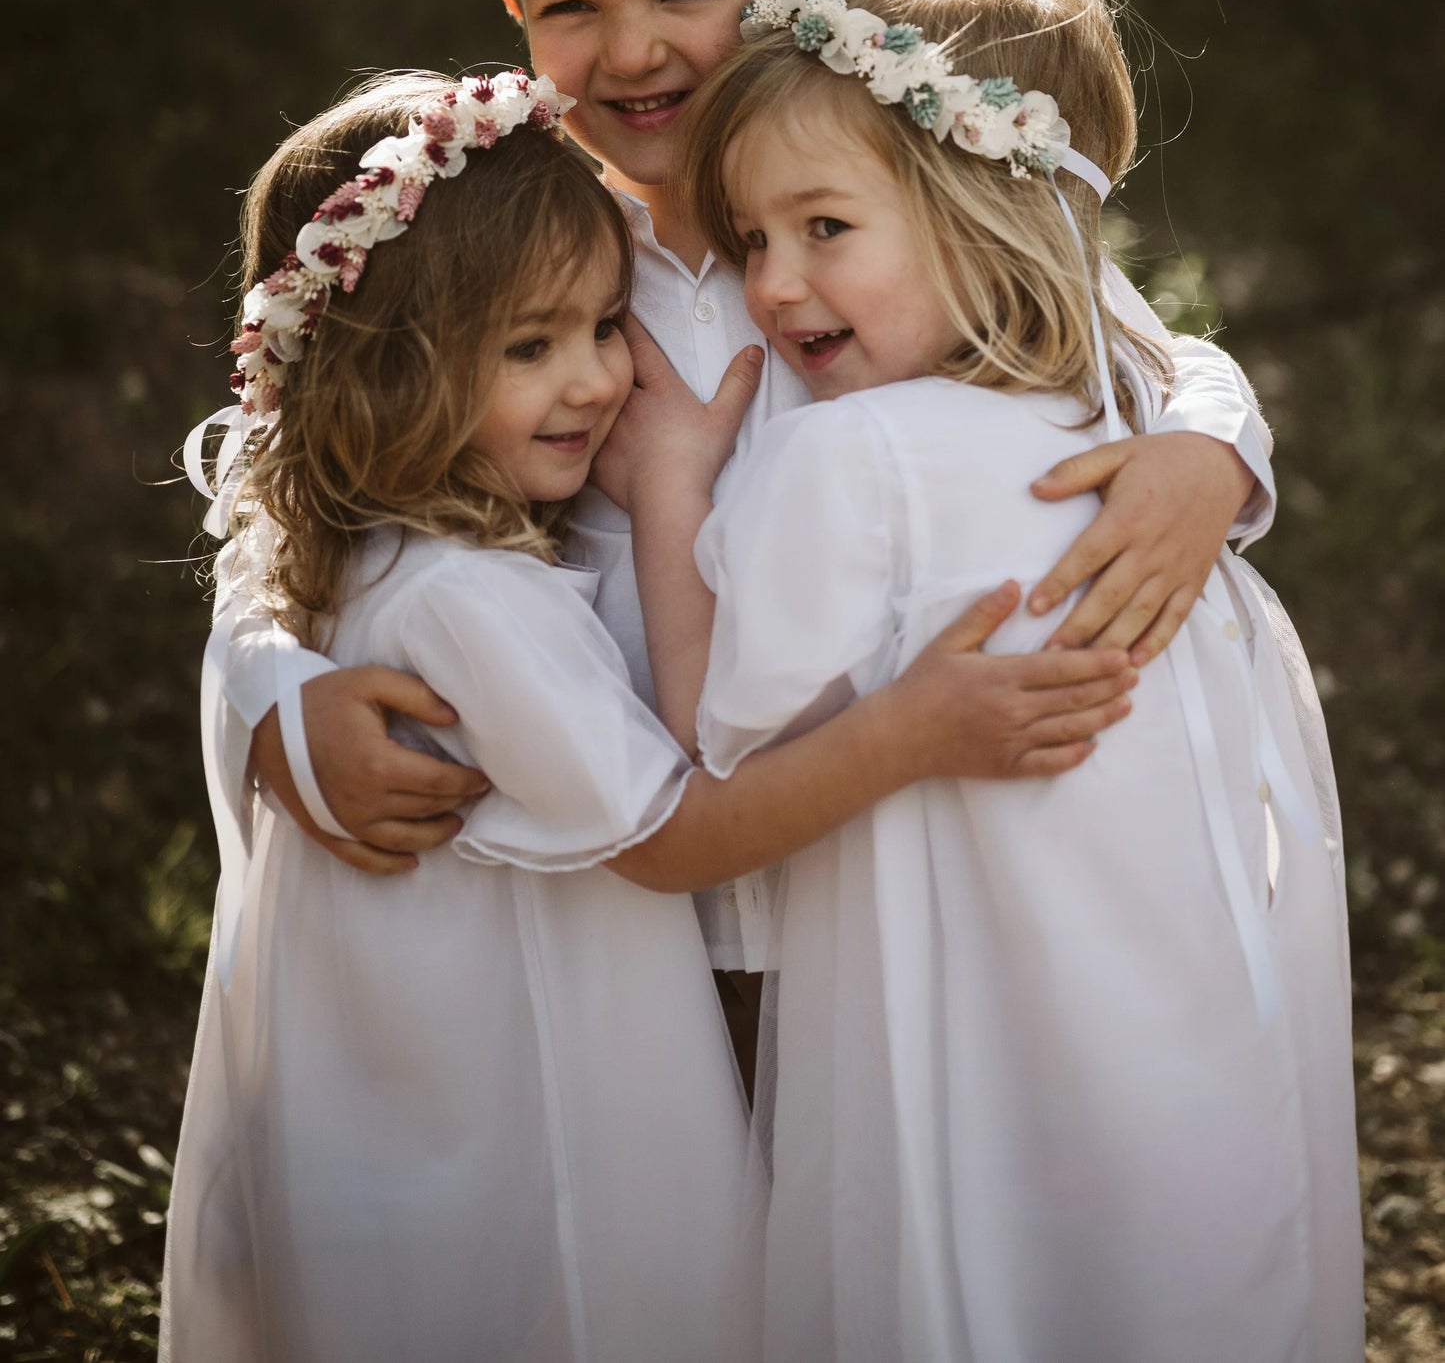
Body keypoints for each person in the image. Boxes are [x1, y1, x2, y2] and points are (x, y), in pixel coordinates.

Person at [225, 0, 1282, 1023]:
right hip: (621, 898)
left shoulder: (878, 211)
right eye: (570, 8)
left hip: (882, 874)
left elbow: (1120, 330)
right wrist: (269, 685)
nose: (629, 52)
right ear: (512, 10)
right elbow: (305, 455)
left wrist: (1210, 448)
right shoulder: (511, 248)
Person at [164, 66, 1140, 1363]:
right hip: (525, 1094)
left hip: (408, 1089)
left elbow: (1147, 347)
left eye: (601, 328)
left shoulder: (376, 546)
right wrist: (912, 730)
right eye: (530, 348)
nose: (594, 384)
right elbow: (669, 838)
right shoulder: (471, 599)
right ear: (386, 368)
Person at [621, 0, 1363, 1363]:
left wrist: (666, 494)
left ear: (987, 211)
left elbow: (712, 717)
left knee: (972, 1273)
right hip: (1180, 1018)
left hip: (966, 1024)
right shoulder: (1127, 426)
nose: (774, 287)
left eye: (823, 230)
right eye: (756, 239)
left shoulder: (858, 461)